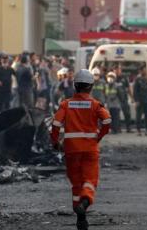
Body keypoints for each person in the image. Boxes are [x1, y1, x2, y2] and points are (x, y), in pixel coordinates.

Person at [51, 69, 112, 230]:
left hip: (71, 150)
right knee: (90, 181)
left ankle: (81, 218)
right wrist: (98, 137)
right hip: (90, 149)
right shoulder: (95, 104)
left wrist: (55, 142)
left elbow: (55, 124)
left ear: (75, 86)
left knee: (76, 183)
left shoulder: (65, 104)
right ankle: (84, 203)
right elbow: (107, 121)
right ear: (91, 87)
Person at [132, 67, 147, 136]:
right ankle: (138, 130)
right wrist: (136, 100)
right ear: (140, 71)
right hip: (140, 100)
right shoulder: (137, 80)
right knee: (139, 116)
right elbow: (135, 91)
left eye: (145, 70)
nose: (145, 71)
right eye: (144, 70)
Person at [115, 68, 133, 133]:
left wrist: (132, 97)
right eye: (116, 70)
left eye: (118, 70)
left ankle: (128, 128)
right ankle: (118, 128)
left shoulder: (124, 78)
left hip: (124, 99)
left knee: (127, 114)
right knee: (117, 115)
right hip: (116, 99)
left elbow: (128, 88)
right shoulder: (113, 78)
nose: (117, 71)